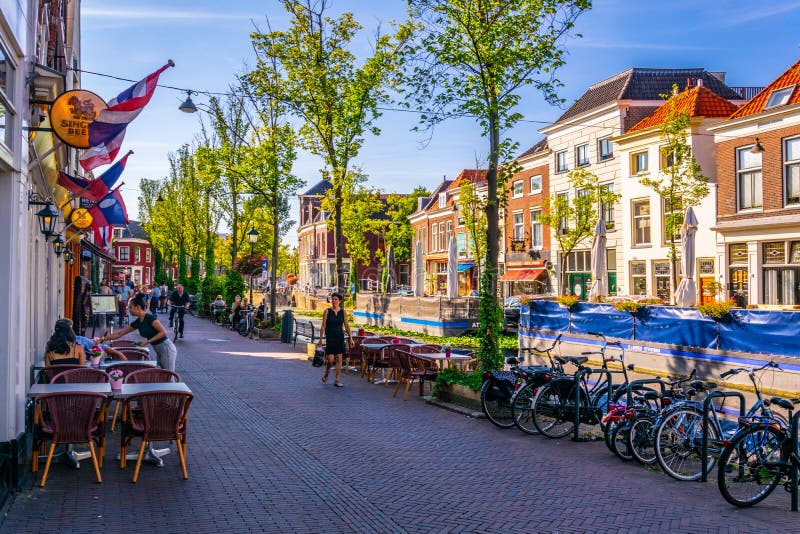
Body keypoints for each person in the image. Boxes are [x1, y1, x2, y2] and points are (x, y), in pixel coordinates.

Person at [100, 293, 176, 372]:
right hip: (158, 349)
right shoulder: (138, 322)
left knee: (169, 376)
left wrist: (147, 342)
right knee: (163, 375)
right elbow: (119, 334)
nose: (129, 310)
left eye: (130, 307)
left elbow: (163, 332)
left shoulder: (149, 318)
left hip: (166, 348)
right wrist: (102, 339)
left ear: (138, 307)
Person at [317, 293, 353, 388]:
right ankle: (327, 372)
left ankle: (337, 380)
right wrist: (320, 339)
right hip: (330, 337)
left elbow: (346, 325)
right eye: (332, 299)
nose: (333, 301)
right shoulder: (327, 311)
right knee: (330, 360)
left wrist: (351, 338)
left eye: (335, 299)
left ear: (339, 301)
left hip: (340, 337)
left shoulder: (343, 312)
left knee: (339, 359)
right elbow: (323, 325)